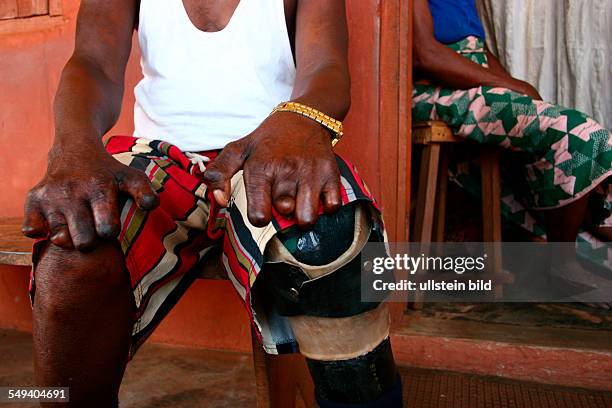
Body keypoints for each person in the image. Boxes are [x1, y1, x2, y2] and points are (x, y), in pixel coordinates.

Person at [21, 1, 403, 406]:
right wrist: (73, 145)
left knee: (329, 239)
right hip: (159, 159)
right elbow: (92, 63)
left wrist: (299, 123)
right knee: (77, 245)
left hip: (268, 150)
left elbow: (327, 68)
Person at [412, 0, 612, 305]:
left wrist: (519, 88)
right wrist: (513, 87)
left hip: (472, 84)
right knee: (581, 134)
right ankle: (562, 265)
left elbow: (478, 51)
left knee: (585, 149)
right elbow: (425, 53)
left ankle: (580, 248)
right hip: (434, 89)